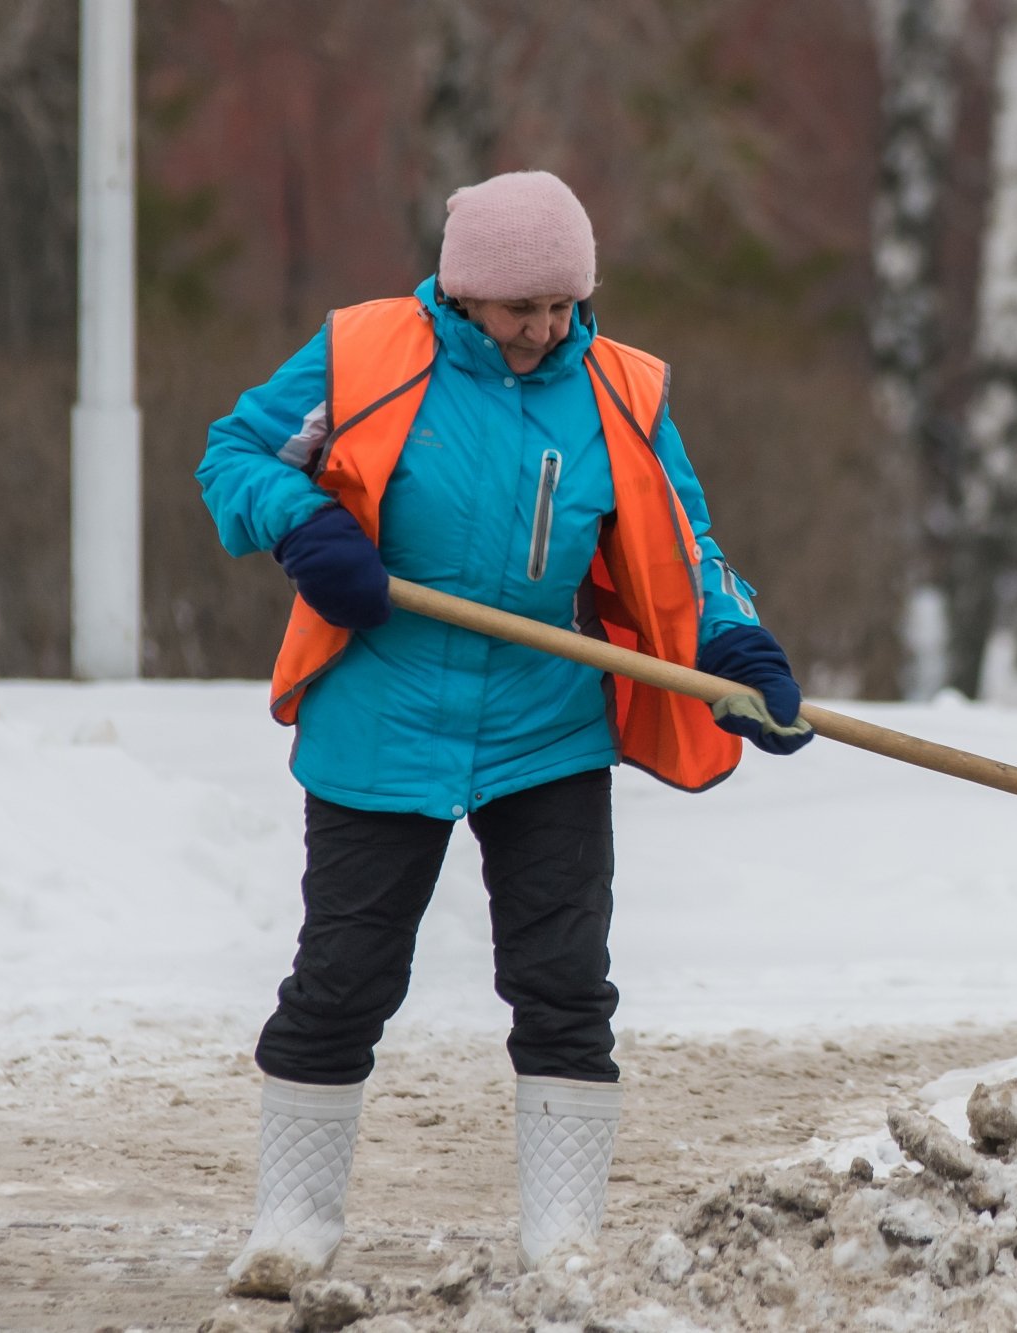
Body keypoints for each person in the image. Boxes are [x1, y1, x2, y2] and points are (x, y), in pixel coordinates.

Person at [195, 169, 814, 1296]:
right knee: (343, 973)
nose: (543, 330)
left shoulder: (620, 388)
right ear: (462, 292)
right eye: (520, 308)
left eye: (561, 307)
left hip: (548, 717)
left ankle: (561, 1239)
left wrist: (733, 646)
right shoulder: (365, 355)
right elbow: (232, 458)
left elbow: (689, 539)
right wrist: (303, 524)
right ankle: (290, 1227)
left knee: (565, 978)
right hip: (384, 702)